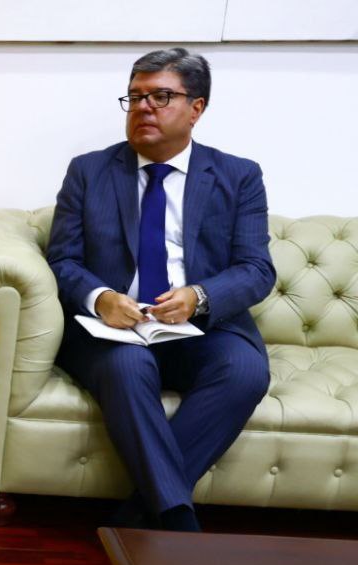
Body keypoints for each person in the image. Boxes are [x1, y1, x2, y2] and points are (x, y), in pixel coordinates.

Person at [45, 48, 276, 531]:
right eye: (135, 97)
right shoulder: (89, 171)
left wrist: (200, 296)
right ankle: (176, 524)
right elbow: (63, 260)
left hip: (202, 328)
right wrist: (101, 298)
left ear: (196, 108)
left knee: (244, 371)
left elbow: (256, 269)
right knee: (128, 367)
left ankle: (137, 517)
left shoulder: (239, 176)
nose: (143, 107)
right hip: (113, 332)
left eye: (161, 96)